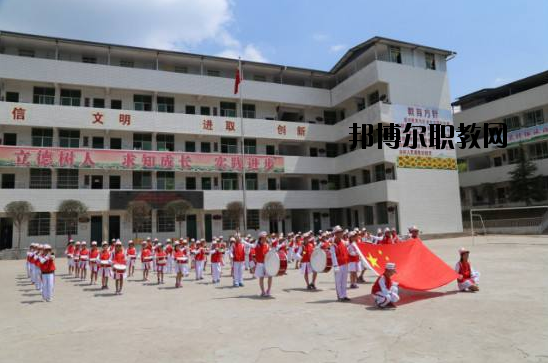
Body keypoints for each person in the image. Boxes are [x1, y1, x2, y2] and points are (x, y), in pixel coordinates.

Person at [330, 226, 350, 302]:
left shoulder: (343, 241)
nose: (341, 233)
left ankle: (344, 295)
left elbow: (349, 244)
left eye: (341, 232)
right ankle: (340, 296)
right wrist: (335, 265)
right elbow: (333, 255)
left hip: (345, 263)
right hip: (338, 265)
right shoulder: (333, 244)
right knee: (338, 281)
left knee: (344, 281)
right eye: (339, 232)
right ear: (336, 233)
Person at [253, 231, 272, 297]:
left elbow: (270, 253)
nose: (265, 239)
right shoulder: (256, 245)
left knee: (270, 276)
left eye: (265, 237)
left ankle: (269, 290)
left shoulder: (267, 245)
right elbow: (251, 246)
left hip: (267, 263)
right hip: (260, 263)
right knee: (261, 277)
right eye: (263, 238)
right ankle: (263, 291)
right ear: (260, 238)